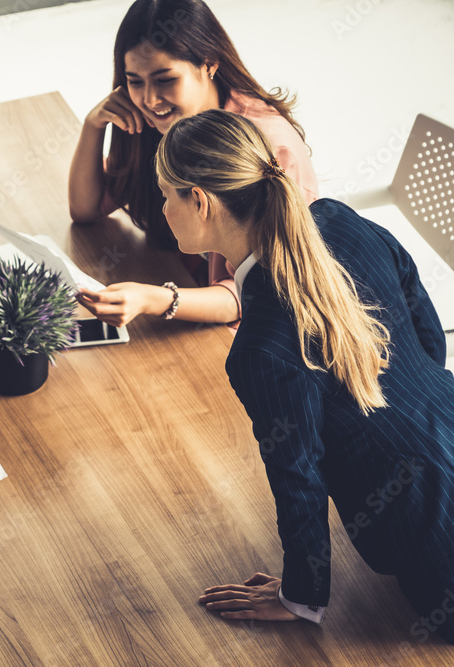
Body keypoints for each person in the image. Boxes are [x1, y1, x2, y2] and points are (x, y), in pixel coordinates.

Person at [156, 109, 454, 640]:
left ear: (199, 200)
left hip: (432, 535)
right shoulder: (338, 219)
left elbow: (299, 480)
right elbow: (428, 334)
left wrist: (301, 596)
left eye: (166, 194)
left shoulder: (260, 348)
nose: (163, 209)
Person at [69, 0, 319, 328]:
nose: (149, 100)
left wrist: (155, 299)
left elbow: (257, 294)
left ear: (209, 63)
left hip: (249, 333)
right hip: (186, 286)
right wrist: (93, 125)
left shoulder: (266, 149)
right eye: (135, 81)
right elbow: (86, 210)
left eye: (165, 79)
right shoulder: (155, 122)